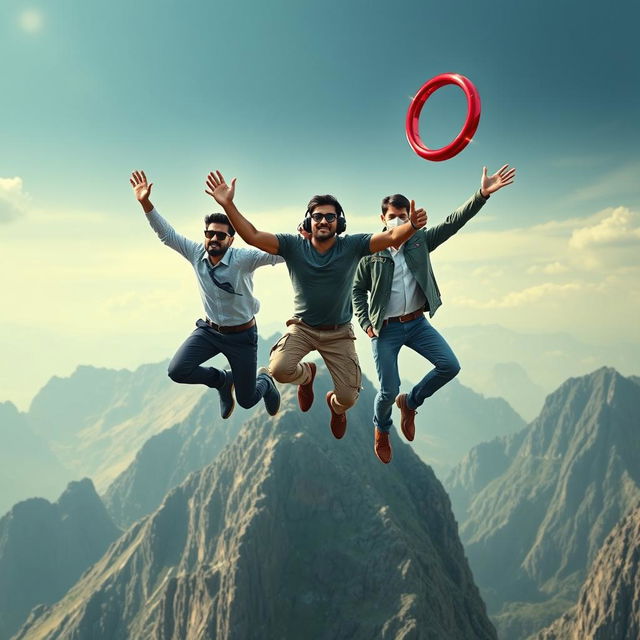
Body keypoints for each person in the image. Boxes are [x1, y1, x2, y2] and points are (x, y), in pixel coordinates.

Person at [204, 170, 427, 439]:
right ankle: (306, 376)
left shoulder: (352, 246)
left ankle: (335, 407)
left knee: (348, 397)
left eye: (330, 217)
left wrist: (411, 226)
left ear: (339, 222)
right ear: (308, 221)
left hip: (339, 333)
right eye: (317, 216)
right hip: (303, 328)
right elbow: (251, 235)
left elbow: (391, 238)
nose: (323, 221)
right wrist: (227, 204)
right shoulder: (292, 246)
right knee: (278, 369)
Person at [352, 165, 516, 463]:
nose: (398, 221)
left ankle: (411, 403)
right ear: (382, 220)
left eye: (403, 216)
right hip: (384, 330)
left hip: (416, 324)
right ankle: (381, 429)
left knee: (449, 366)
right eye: (393, 217)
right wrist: (365, 323)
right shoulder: (371, 251)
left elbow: (454, 223)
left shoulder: (420, 241)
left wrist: (482, 195)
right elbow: (356, 291)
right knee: (387, 390)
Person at [129, 170, 282, 419]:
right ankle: (222, 381)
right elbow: (167, 235)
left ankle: (264, 380)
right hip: (210, 332)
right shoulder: (196, 253)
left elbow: (279, 252)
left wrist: (308, 239)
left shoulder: (244, 259)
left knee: (246, 400)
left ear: (231, 240)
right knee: (177, 370)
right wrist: (145, 203)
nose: (213, 239)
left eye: (220, 235)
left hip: (242, 336)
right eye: (209, 233)